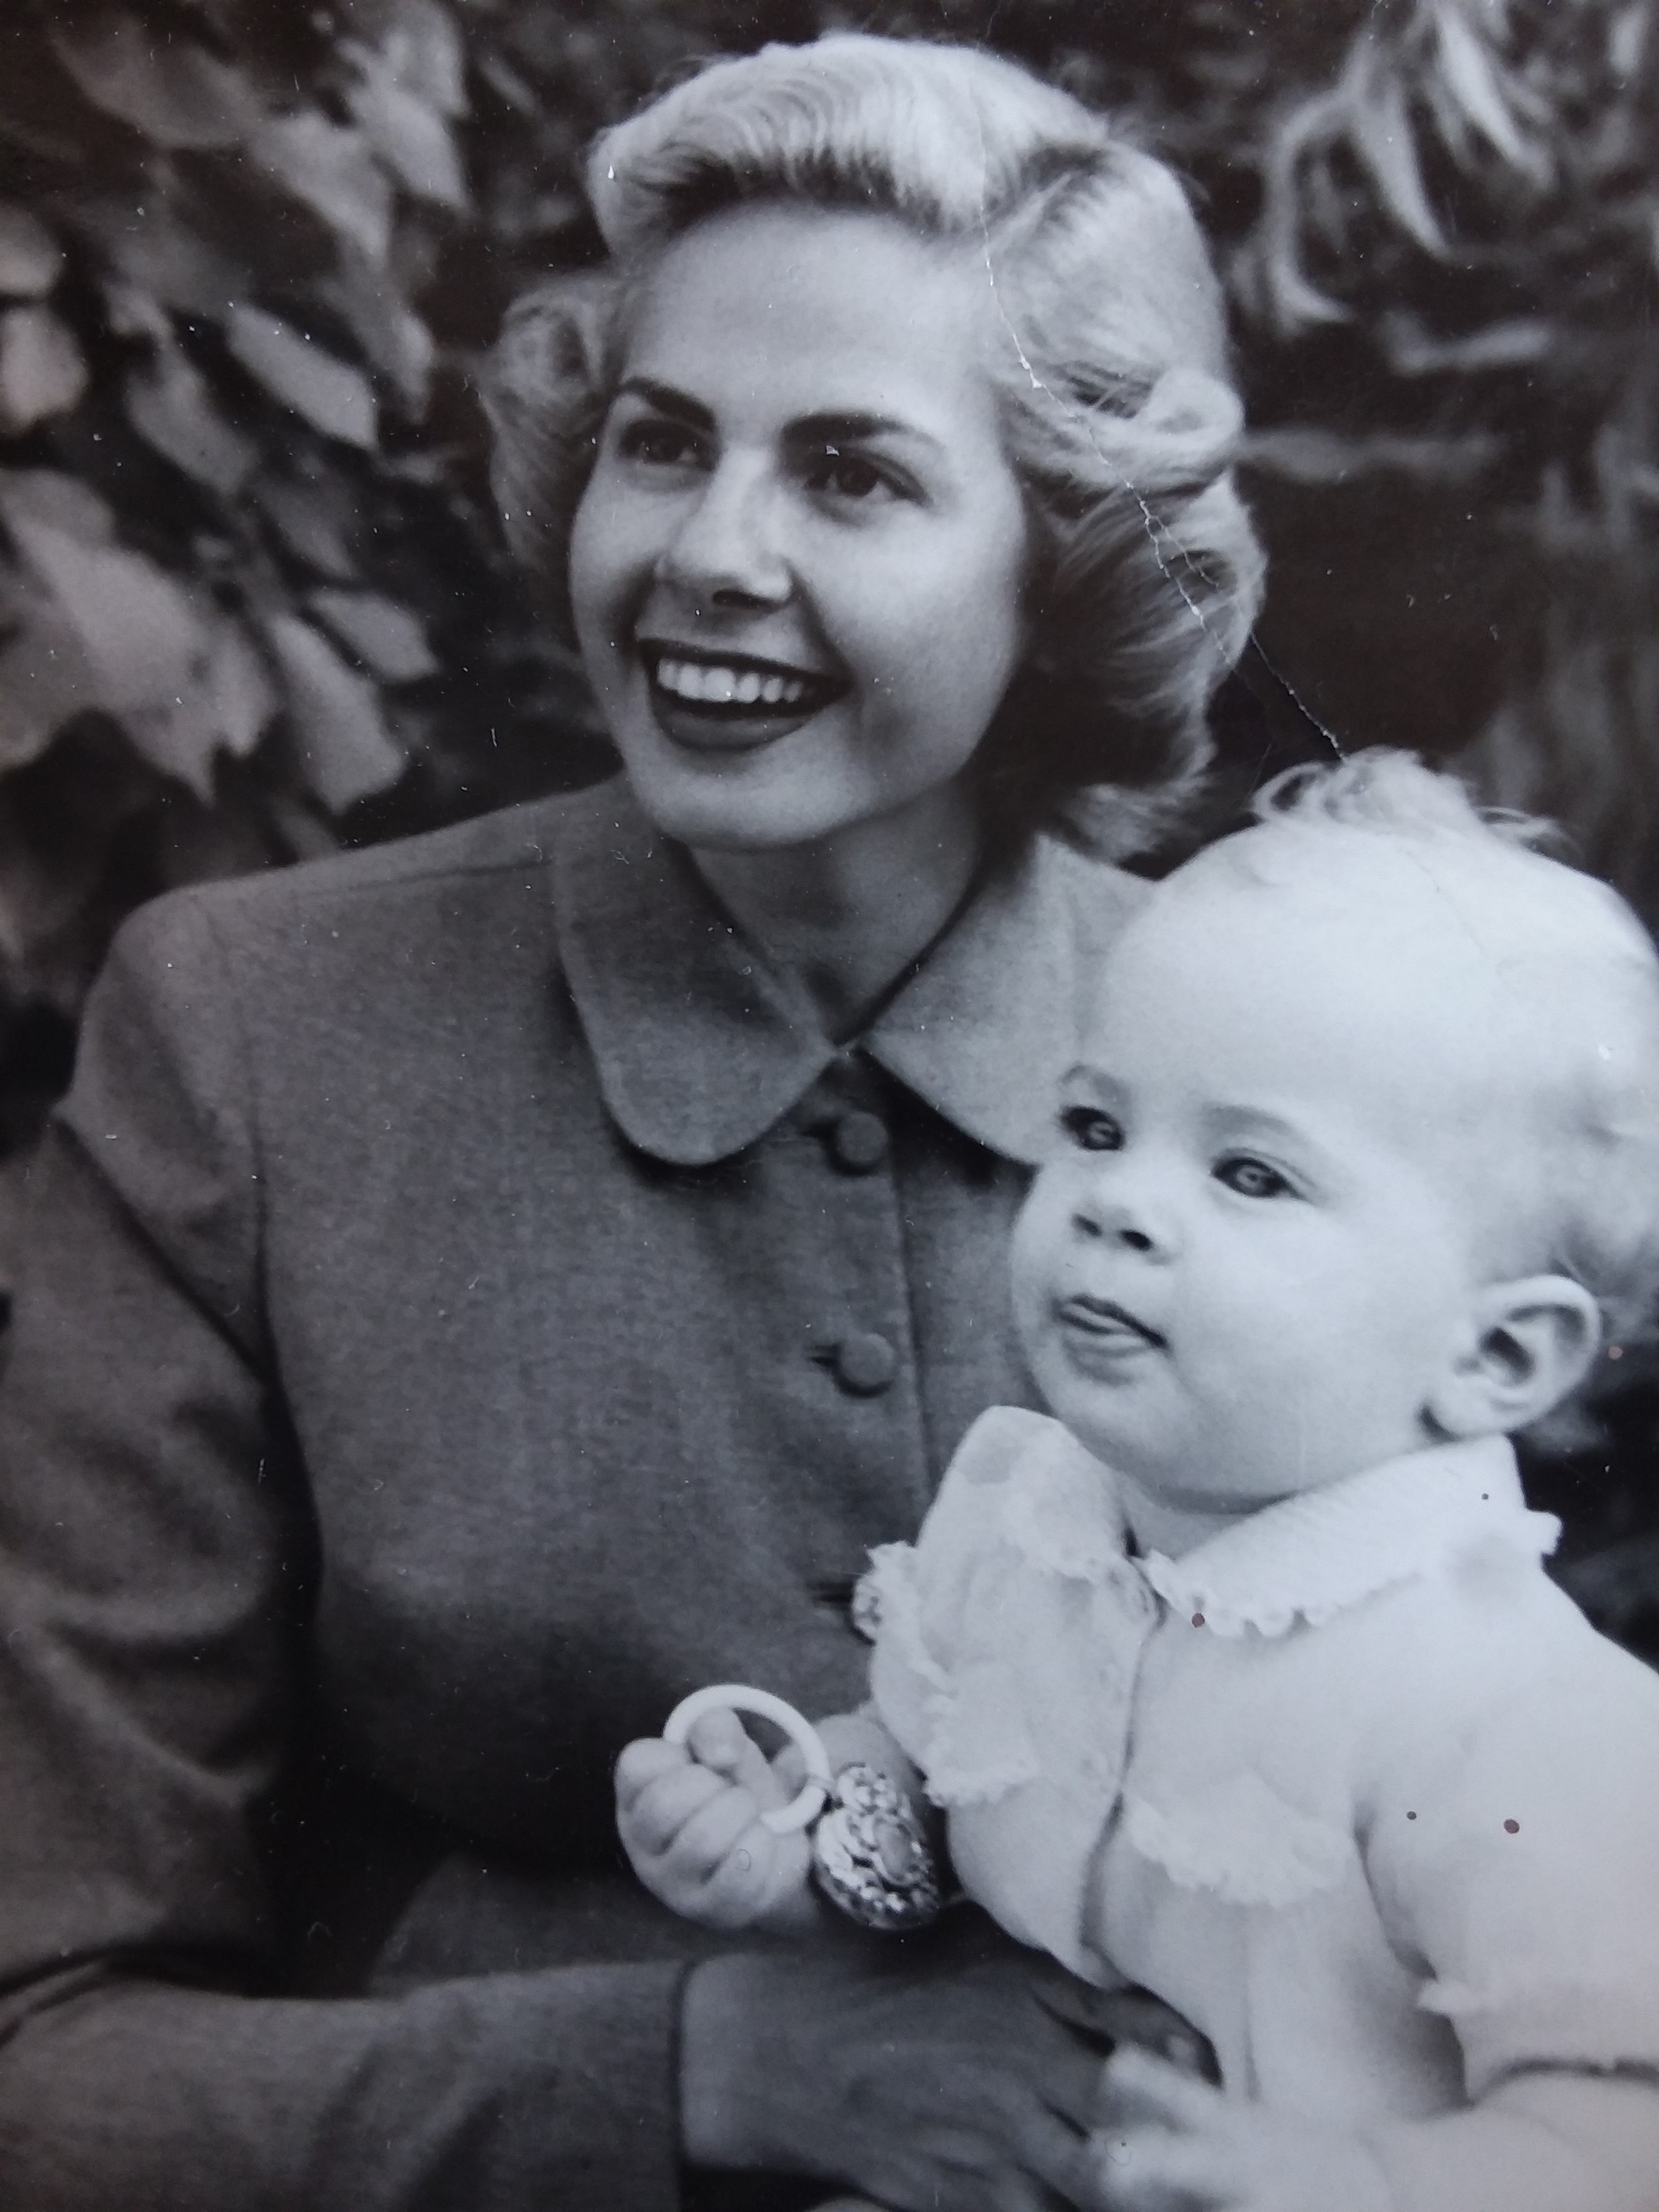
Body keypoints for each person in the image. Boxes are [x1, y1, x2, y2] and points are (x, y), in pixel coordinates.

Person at [0, 32, 1265, 2212]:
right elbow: (48, 2050)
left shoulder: (1278, 1039)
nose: (708, 555)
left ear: (1066, 558)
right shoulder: (251, 1037)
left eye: (854, 473)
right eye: (660, 445)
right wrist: (683, 2070)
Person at [619, 750, 1659, 2211]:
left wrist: (1348, 2182)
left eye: (1251, 1176)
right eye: (1098, 1129)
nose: (1115, 1205)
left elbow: (1622, 2134)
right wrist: (796, 1821)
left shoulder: (1504, 1721)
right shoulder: (1029, 1514)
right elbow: (932, 1784)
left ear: (1494, 1358)